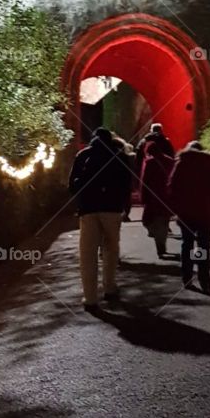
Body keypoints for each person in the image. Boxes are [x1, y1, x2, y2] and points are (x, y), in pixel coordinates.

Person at [67, 127, 134, 311]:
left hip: (88, 209)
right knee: (110, 249)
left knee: (88, 253)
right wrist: (122, 205)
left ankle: (90, 298)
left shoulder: (83, 155)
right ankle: (109, 287)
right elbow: (127, 184)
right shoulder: (119, 156)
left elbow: (72, 184)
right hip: (112, 208)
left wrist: (81, 199)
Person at [169, 140, 210, 293]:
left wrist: (175, 207)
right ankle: (205, 281)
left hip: (186, 211)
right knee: (204, 246)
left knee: (187, 244)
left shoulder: (182, 163)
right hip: (206, 211)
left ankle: (187, 278)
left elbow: (172, 186)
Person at [136, 122, 176, 258]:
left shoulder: (145, 145)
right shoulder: (167, 144)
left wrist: (142, 193)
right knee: (163, 218)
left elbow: (140, 168)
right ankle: (161, 243)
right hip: (165, 191)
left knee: (149, 218)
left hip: (153, 192)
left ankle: (157, 237)